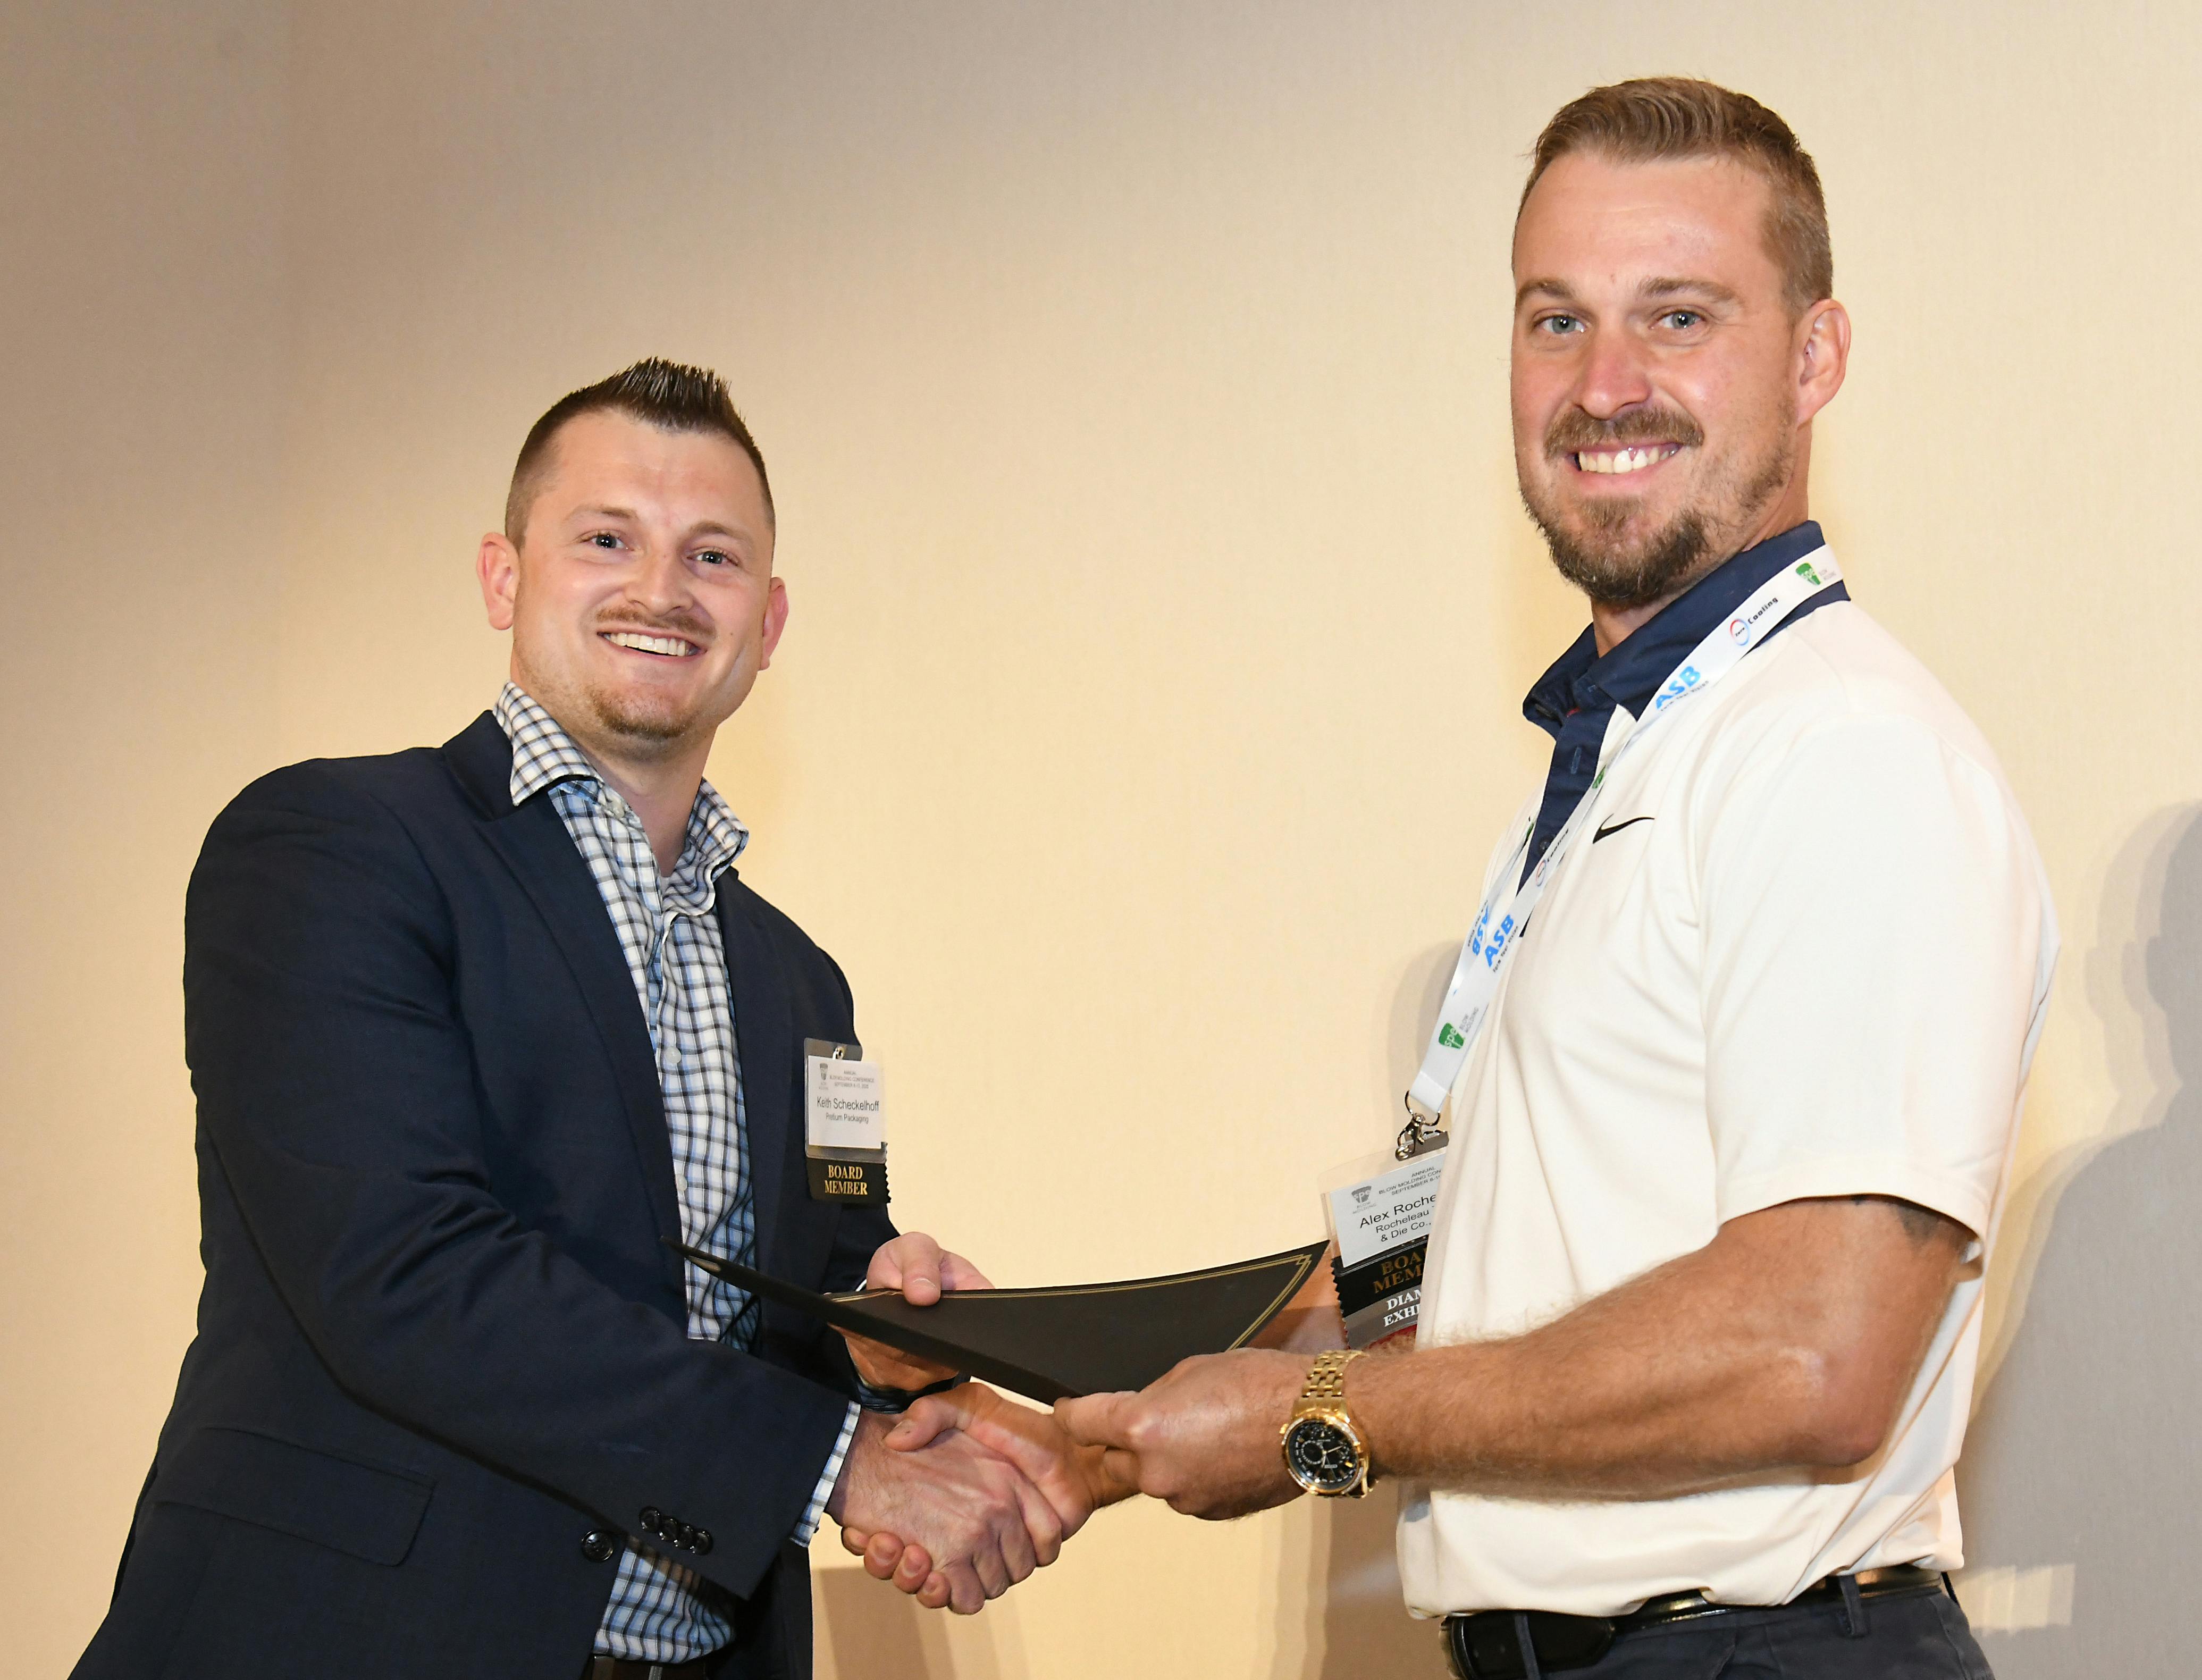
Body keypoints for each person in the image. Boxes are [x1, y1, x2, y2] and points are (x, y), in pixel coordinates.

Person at [861, 80, 2057, 1678]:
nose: (1604, 385)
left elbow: (1809, 1352)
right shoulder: (1621, 768)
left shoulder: (1833, 747)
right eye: (1553, 321)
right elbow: (1449, 1300)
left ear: (1815, 356)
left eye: (1677, 316)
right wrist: (1060, 1412)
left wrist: (1304, 1425)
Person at [73, 360, 1088, 1680]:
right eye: (605, 538)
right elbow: (406, 1271)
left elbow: (808, 1284)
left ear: (768, 620)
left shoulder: (799, 979)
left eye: (711, 556)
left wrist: (886, 1344)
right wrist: (841, 1465)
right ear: (505, 576)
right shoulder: (331, 847)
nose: (660, 589)